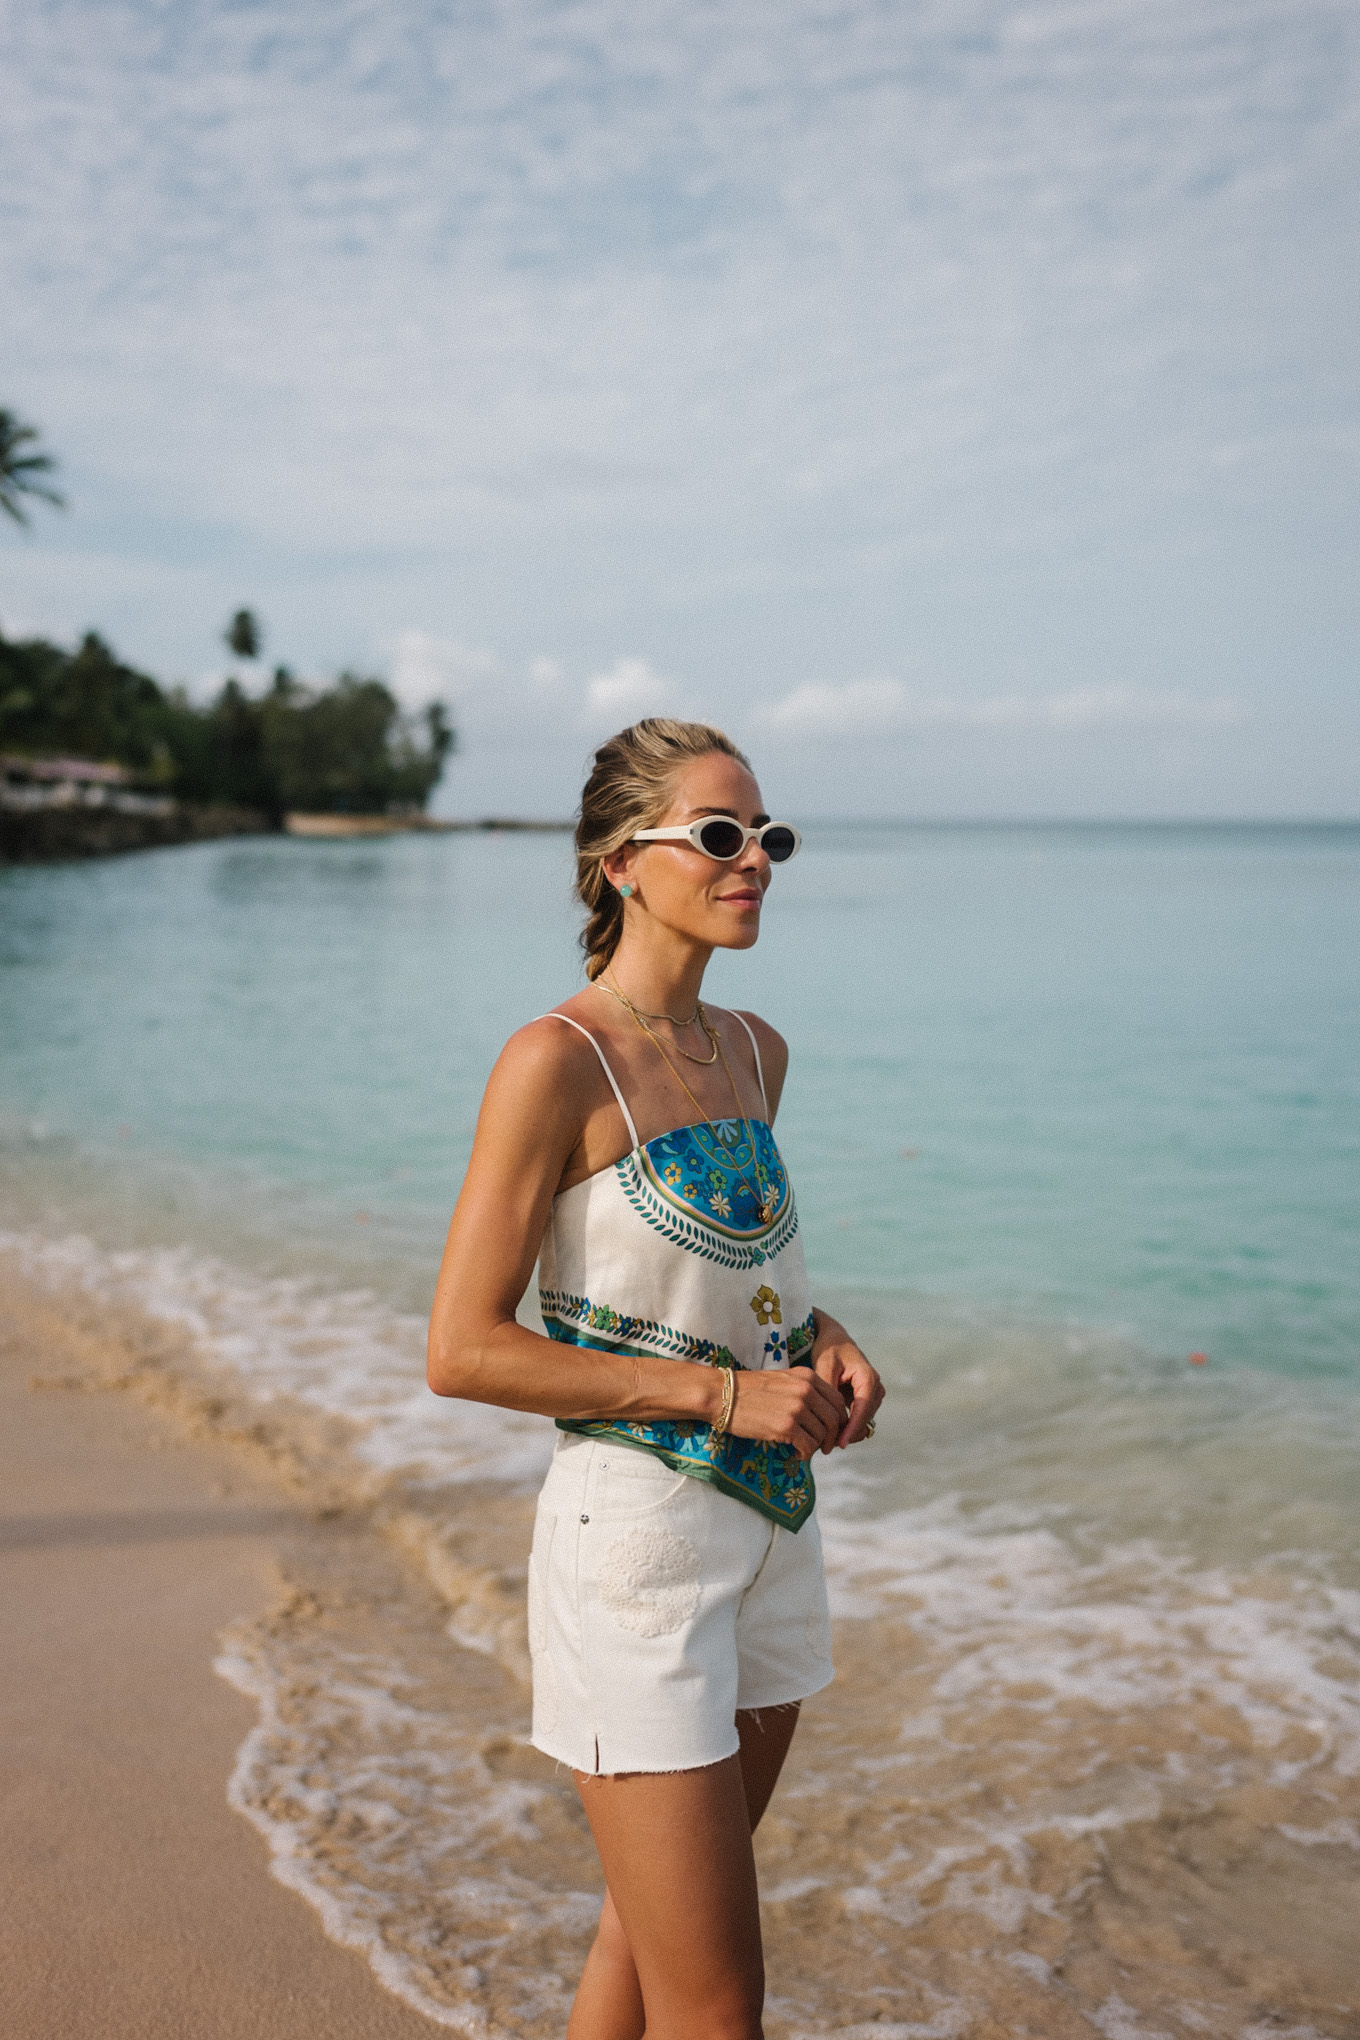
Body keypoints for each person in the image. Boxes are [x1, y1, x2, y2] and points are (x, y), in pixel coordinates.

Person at [428, 718, 884, 2040]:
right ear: (624, 861)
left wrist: (826, 1338)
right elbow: (463, 1347)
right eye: (722, 838)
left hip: (775, 1542)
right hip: (638, 1562)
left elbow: (731, 1286)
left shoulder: (755, 1052)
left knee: (647, 1941)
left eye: (769, 840)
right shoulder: (553, 1062)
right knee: (717, 2007)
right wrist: (720, 1398)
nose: (756, 864)